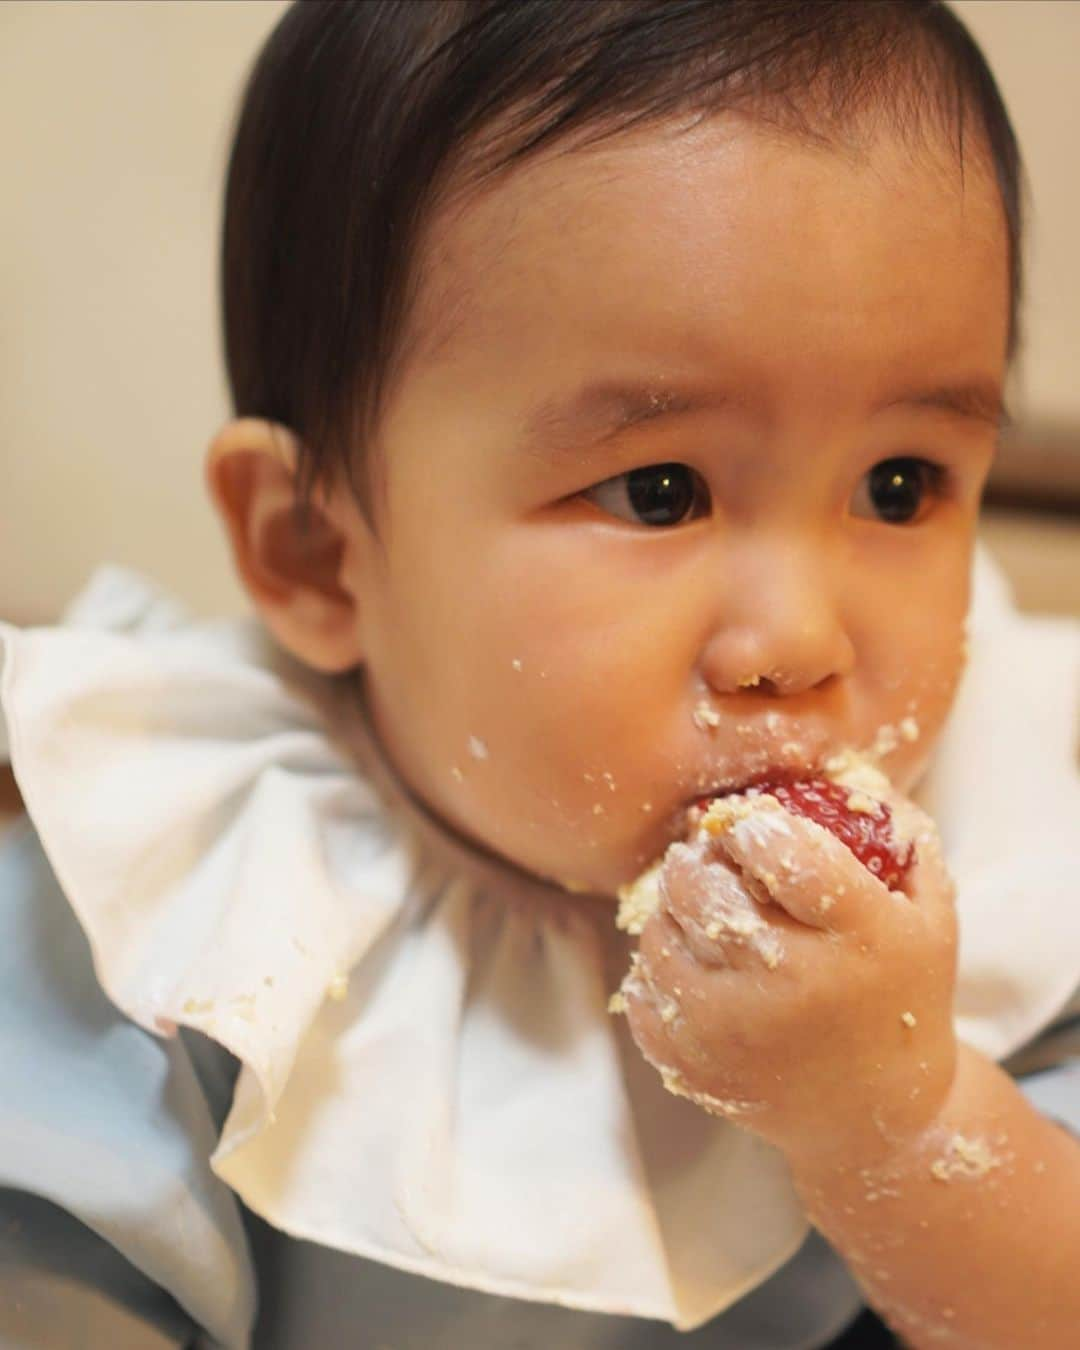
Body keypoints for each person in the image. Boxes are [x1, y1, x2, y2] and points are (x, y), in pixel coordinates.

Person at [1, 2, 1077, 1346]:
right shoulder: (173, 906)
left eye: (901, 484)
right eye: (660, 489)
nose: (802, 642)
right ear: (318, 553)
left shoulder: (1015, 851)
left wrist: (907, 1122)